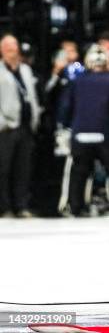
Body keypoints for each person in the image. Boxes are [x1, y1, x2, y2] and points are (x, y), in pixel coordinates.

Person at [59, 44, 109, 217]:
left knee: (79, 171)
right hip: (106, 134)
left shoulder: (77, 80)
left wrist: (66, 126)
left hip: (81, 134)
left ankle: (75, 207)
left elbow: (65, 106)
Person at [0, 34, 40, 218]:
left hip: (25, 126)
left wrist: (35, 118)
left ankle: (22, 205)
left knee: (23, 168)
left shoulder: (25, 70)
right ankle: (5, 207)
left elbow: (31, 96)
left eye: (14, 48)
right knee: (4, 169)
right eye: (9, 49)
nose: (12, 52)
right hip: (6, 127)